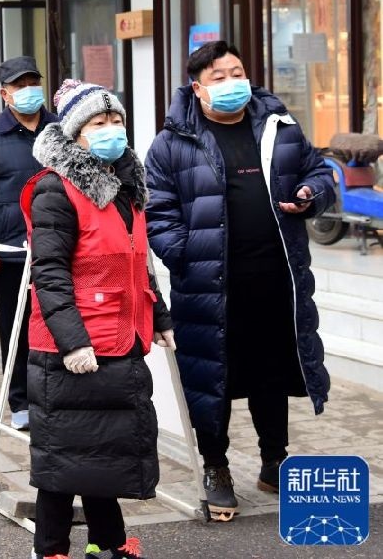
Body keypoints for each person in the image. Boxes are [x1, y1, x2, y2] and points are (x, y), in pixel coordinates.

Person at [144, 41, 335, 520]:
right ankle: (216, 467)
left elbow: (318, 170)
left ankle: (275, 462)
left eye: (237, 72)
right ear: (198, 88)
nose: (232, 83)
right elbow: (157, 211)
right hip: (209, 285)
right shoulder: (172, 142)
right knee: (213, 376)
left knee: (272, 372)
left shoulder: (278, 125)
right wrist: (185, 255)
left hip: (275, 277)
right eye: (220, 77)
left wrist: (311, 193)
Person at [23, 80, 173, 559]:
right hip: (73, 346)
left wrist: (160, 316)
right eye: (99, 122)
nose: (112, 130)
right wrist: (73, 341)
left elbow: (137, 261)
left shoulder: (126, 185)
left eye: (116, 120)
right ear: (76, 133)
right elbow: (49, 271)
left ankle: (107, 543)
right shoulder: (55, 188)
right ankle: (50, 549)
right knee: (62, 460)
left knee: (100, 453)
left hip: (119, 337)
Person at [0, 55, 58, 430]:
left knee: (59, 324)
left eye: (34, 83)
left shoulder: (61, 130)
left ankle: (56, 396)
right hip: (12, 252)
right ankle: (21, 401)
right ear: (5, 94)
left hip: (59, 246)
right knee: (16, 329)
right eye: (20, 86)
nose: (29, 91)